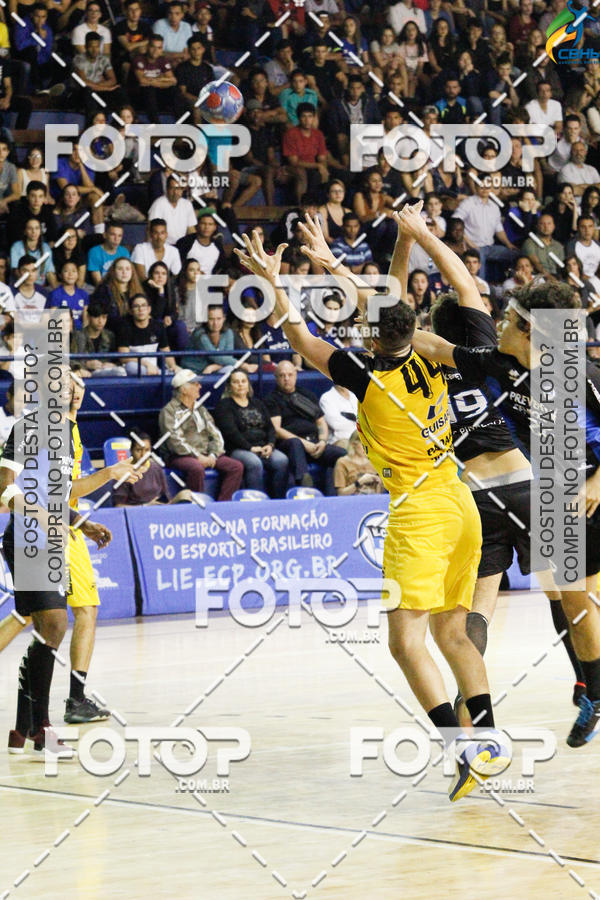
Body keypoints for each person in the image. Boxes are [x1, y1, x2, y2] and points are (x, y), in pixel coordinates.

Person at [235, 215, 510, 801]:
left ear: (370, 334)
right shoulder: (435, 353)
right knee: (453, 634)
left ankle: (464, 750)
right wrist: (405, 242)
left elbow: (303, 338)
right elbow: (387, 305)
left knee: (405, 643)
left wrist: (274, 281)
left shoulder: (364, 374)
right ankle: (486, 743)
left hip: (419, 511)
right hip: (461, 501)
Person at [414, 277, 600, 748]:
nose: (497, 322)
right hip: (544, 491)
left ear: (529, 329)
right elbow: (448, 321)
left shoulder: (579, 375)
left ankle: (482, 724)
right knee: (570, 600)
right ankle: (591, 688)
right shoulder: (497, 359)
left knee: (509, 608)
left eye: (508, 319)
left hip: (540, 491)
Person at [2, 370, 140, 752]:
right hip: (28, 538)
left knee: (46, 629)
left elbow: (62, 495)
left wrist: (84, 521)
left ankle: (23, 727)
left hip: (52, 538)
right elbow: (6, 487)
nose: (67, 390)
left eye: (71, 385)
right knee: (55, 624)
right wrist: (41, 516)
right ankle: (41, 729)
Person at [158, 369, 243, 500]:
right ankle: (197, 505)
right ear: (183, 389)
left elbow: (215, 434)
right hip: (178, 456)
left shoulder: (200, 409)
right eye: (195, 384)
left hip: (205, 453)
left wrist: (213, 455)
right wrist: (198, 456)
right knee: (196, 468)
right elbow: (174, 441)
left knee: (236, 467)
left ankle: (222, 506)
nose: (200, 386)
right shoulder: (169, 411)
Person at [266, 360, 346, 495]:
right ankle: (304, 485)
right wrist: (305, 444)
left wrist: (322, 441)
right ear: (276, 378)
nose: (286, 379)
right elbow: (277, 430)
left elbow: (321, 422)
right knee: (295, 443)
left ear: (296, 375)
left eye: (290, 375)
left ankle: (333, 495)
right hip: (290, 445)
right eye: (282, 375)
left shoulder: (306, 395)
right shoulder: (271, 399)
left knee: (342, 455)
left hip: (315, 443)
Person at [213, 370, 289, 498]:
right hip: (238, 448)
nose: (240, 385)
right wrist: (251, 448)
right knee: (254, 463)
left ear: (248, 384)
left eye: (243, 381)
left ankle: (278, 500)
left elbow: (270, 428)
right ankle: (255, 501)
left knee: (282, 460)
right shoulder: (224, 405)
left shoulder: (257, 403)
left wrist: (270, 445)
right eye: (236, 382)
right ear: (229, 386)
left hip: (263, 447)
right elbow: (231, 433)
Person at [112, 432, 192, 505]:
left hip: (159, 509)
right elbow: (119, 506)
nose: (143, 455)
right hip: (138, 513)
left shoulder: (156, 468)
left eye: (147, 450)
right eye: (138, 450)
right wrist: (146, 506)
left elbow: (166, 497)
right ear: (131, 451)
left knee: (186, 494)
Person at [116, 293, 178, 376]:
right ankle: (161, 374)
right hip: (135, 370)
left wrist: (173, 366)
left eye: (143, 305)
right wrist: (146, 364)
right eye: (136, 306)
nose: (140, 309)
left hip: (154, 369)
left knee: (179, 372)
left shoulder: (158, 327)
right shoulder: (125, 328)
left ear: (149, 309)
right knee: (131, 366)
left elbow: (166, 352)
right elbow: (124, 357)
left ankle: (164, 374)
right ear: (131, 311)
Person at [74, 301, 126, 377]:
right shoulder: (78, 336)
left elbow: (117, 359)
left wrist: (113, 365)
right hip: (84, 374)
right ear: (88, 317)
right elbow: (70, 360)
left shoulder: (109, 335)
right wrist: (86, 364)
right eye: (96, 317)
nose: (100, 321)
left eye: (104, 317)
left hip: (105, 373)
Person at [147, 176, 197, 245]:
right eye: (172, 188)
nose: (175, 192)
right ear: (167, 189)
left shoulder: (187, 204)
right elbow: (150, 230)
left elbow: (191, 230)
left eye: (178, 188)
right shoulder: (158, 203)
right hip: (163, 245)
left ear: (182, 190)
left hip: (182, 245)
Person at [334, 430, 384, 495]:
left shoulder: (374, 462)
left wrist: (379, 484)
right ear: (353, 444)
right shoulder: (342, 462)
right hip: (352, 501)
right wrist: (360, 482)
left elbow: (379, 495)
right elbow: (341, 493)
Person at [47, 260, 89, 328]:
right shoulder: (55, 294)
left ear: (78, 274)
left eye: (74, 271)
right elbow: (53, 318)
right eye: (66, 271)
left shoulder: (83, 294)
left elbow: (85, 319)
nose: (70, 274)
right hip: (63, 330)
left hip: (79, 333)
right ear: (60, 275)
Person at [319, 382, 358, 446]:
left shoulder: (355, 396)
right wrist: (358, 424)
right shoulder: (326, 398)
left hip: (359, 438)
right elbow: (336, 425)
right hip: (340, 440)